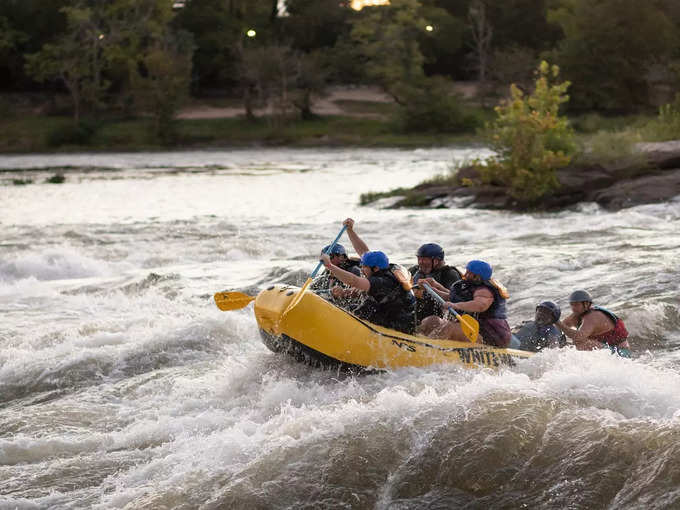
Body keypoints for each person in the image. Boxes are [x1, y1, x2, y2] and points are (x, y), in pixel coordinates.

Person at [319, 218, 416, 334]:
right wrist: (350, 231)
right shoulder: (386, 267)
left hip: (398, 324)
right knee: (354, 308)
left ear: (375, 268)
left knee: (358, 312)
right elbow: (364, 252)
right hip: (392, 313)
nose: (362, 269)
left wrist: (329, 265)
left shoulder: (380, 281)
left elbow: (353, 280)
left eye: (364, 266)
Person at [418, 259, 511, 347]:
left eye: (468, 273)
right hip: (471, 329)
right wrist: (432, 288)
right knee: (432, 321)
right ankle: (417, 342)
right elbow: (451, 297)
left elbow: (479, 305)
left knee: (450, 328)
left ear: (477, 276)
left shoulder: (484, 291)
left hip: (489, 335)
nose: (465, 275)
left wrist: (455, 305)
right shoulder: (468, 286)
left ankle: (428, 349)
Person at [557, 290, 631, 357]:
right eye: (571, 304)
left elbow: (579, 337)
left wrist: (557, 322)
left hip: (621, 353)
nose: (573, 308)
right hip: (606, 349)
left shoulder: (593, 316)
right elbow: (561, 327)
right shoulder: (576, 315)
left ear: (586, 304)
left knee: (581, 343)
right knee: (570, 346)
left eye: (576, 304)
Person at [409, 243, 462, 323]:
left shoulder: (450, 274)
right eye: (419, 259)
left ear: (436, 261)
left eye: (424, 259)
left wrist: (424, 293)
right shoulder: (414, 270)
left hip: (436, 317)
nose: (420, 262)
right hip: (414, 313)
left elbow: (453, 299)